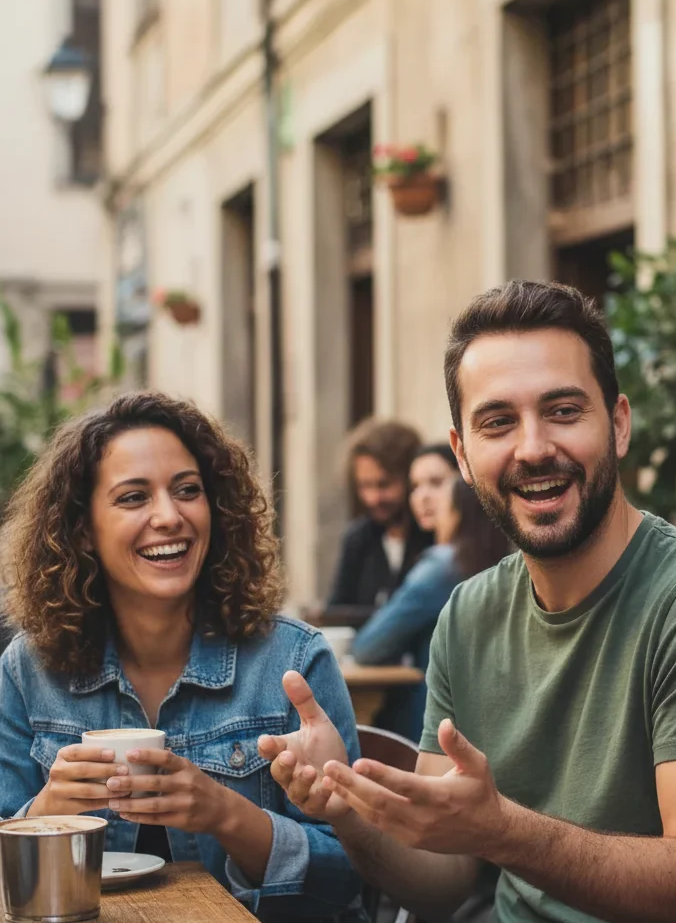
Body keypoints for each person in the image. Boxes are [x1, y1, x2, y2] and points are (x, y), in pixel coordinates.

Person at [260, 280, 676, 923]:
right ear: (461, 454)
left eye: (564, 411)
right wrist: (342, 807)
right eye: (498, 423)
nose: (534, 447)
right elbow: (445, 880)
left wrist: (502, 831)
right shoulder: (468, 612)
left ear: (618, 425)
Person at [0, 392, 367, 921]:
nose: (169, 516)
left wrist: (225, 814)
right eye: (133, 498)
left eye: (187, 491)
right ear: (82, 528)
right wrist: (46, 815)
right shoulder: (29, 669)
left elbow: (352, 876)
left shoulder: (293, 660)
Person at [352, 472, 510, 741]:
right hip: (494, 729)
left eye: (442, 507)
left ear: (459, 514)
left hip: (434, 729)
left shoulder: (441, 568)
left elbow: (368, 647)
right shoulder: (510, 567)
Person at [327, 419, 431, 614]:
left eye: (384, 484)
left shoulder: (433, 536)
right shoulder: (358, 538)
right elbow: (336, 612)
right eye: (364, 486)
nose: (373, 498)